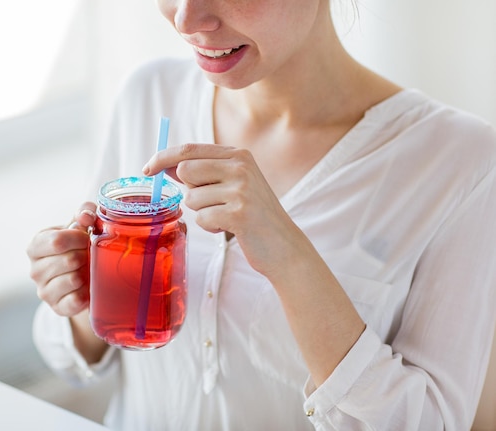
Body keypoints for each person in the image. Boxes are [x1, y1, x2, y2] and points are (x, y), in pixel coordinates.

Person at [26, 0, 496, 429]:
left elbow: (433, 421)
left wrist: (290, 256)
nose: (186, 19)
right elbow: (71, 354)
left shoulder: (461, 163)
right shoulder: (150, 94)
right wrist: (81, 291)